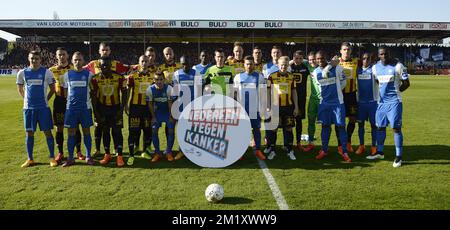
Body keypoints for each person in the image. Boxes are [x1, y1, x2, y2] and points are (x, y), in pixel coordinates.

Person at [367, 46, 410, 168]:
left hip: (394, 103)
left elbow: (406, 83)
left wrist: (397, 92)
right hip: (381, 103)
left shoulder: (398, 66)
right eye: (381, 54)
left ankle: (398, 157)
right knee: (380, 127)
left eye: (386, 54)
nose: (384, 56)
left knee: (396, 129)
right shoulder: (375, 68)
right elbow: (377, 81)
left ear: (389, 54)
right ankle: (380, 152)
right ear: (378, 55)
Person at [84, 42, 129, 158]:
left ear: (110, 51)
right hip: (100, 104)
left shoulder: (116, 67)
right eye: (103, 50)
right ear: (99, 51)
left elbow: (129, 69)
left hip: (114, 104)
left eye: (107, 50)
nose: (105, 51)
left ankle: (117, 151)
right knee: (100, 127)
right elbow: (81, 70)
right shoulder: (92, 65)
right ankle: (99, 149)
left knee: (115, 129)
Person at [16, 50, 57, 167]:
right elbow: (20, 89)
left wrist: (46, 100)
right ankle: (30, 159)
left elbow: (53, 89)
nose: (34, 60)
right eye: (32, 58)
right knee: (29, 133)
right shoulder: (22, 73)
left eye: (36, 58)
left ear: (40, 59)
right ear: (29, 59)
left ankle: (52, 157)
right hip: (28, 109)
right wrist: (26, 100)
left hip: (43, 108)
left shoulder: (47, 72)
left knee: (48, 132)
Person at [313, 51, 352, 163]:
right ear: (316, 60)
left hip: (337, 103)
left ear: (327, 58)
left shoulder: (337, 68)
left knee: (340, 126)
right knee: (325, 126)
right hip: (324, 103)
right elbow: (319, 86)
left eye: (322, 58)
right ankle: (324, 150)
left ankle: (344, 151)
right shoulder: (316, 72)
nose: (320, 61)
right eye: (318, 59)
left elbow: (343, 82)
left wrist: (337, 91)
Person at [48, 47, 84, 163]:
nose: (61, 57)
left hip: (72, 102)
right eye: (59, 55)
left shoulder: (74, 68)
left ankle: (78, 152)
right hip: (59, 102)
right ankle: (60, 153)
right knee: (59, 128)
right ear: (56, 56)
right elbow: (49, 87)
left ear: (68, 56)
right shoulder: (51, 70)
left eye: (63, 54)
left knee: (76, 127)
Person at [90, 56, 127, 167]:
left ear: (111, 66)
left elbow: (124, 93)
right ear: (99, 66)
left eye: (106, 65)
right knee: (105, 131)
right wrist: (96, 112)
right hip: (102, 108)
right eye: (102, 65)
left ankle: (119, 156)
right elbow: (93, 97)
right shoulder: (95, 79)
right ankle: (107, 154)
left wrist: (121, 109)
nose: (104, 67)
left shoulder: (119, 77)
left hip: (115, 108)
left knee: (117, 131)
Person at [61, 52, 95, 167]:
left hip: (85, 109)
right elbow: (66, 92)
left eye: (79, 60)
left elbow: (93, 90)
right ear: (72, 61)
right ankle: (71, 158)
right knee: (71, 133)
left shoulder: (89, 75)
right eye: (75, 60)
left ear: (83, 61)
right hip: (71, 109)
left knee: (86, 132)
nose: (77, 62)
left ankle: (88, 156)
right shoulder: (67, 75)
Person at [233, 56, 266, 160]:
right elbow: (234, 93)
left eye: (251, 64)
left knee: (256, 129)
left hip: (254, 109)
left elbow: (263, 93)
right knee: (241, 131)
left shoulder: (259, 77)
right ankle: (240, 151)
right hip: (242, 109)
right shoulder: (238, 77)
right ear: (244, 64)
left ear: (254, 64)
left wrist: (262, 108)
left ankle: (258, 150)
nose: (249, 66)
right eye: (247, 64)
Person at [266, 56, 299, 160]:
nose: (283, 66)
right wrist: (268, 106)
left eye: (285, 64)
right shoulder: (271, 76)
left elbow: (294, 92)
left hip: (288, 107)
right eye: (281, 65)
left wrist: (296, 107)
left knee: (288, 128)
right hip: (275, 107)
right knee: (274, 129)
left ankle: (289, 149)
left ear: (288, 65)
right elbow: (267, 91)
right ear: (278, 65)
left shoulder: (291, 77)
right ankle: (272, 150)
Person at [172, 55, 202, 160]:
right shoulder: (176, 74)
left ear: (190, 63)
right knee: (182, 129)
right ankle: (181, 150)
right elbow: (175, 92)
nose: (185, 66)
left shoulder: (196, 73)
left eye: (187, 64)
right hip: (181, 107)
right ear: (181, 64)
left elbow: (199, 91)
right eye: (183, 64)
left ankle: (193, 150)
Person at [125, 55, 154, 166]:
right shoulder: (133, 77)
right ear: (139, 62)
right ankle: (131, 155)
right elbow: (128, 91)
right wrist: (126, 105)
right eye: (142, 61)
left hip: (147, 108)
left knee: (147, 131)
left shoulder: (152, 76)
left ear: (148, 63)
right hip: (135, 108)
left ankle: (144, 151)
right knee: (133, 131)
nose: (144, 63)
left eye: (146, 61)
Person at [146, 72, 175, 162]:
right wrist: (153, 117)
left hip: (167, 112)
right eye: (157, 80)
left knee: (171, 130)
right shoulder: (150, 90)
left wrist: (171, 116)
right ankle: (157, 153)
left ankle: (169, 152)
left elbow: (170, 103)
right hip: (157, 113)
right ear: (154, 80)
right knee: (154, 130)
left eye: (161, 79)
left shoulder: (169, 89)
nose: (159, 81)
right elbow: (150, 104)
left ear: (164, 80)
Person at [338, 42, 359, 154]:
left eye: (348, 50)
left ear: (351, 51)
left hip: (351, 95)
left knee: (352, 119)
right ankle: (340, 145)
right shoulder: (336, 62)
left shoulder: (356, 62)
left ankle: (348, 142)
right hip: (340, 96)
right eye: (344, 49)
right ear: (340, 51)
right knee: (340, 121)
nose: (346, 52)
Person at [355, 52, 378, 155]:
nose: (366, 60)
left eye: (368, 58)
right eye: (364, 58)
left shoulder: (374, 70)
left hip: (372, 103)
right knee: (360, 125)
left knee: (374, 126)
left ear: (371, 60)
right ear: (361, 59)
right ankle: (361, 146)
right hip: (361, 103)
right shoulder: (358, 70)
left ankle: (374, 146)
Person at [290, 50, 310, 150]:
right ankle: (289, 143)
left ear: (303, 59)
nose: (298, 60)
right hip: (290, 98)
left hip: (301, 99)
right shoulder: (289, 68)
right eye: (296, 58)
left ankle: (298, 142)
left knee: (299, 121)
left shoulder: (306, 68)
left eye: (300, 58)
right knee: (289, 121)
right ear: (293, 58)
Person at [304, 51, 320, 152]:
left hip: (323, 100)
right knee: (311, 120)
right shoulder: (308, 66)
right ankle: (311, 142)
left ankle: (325, 145)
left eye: (313, 59)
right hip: (313, 99)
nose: (311, 61)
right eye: (310, 60)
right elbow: (299, 59)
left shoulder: (323, 67)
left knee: (325, 123)